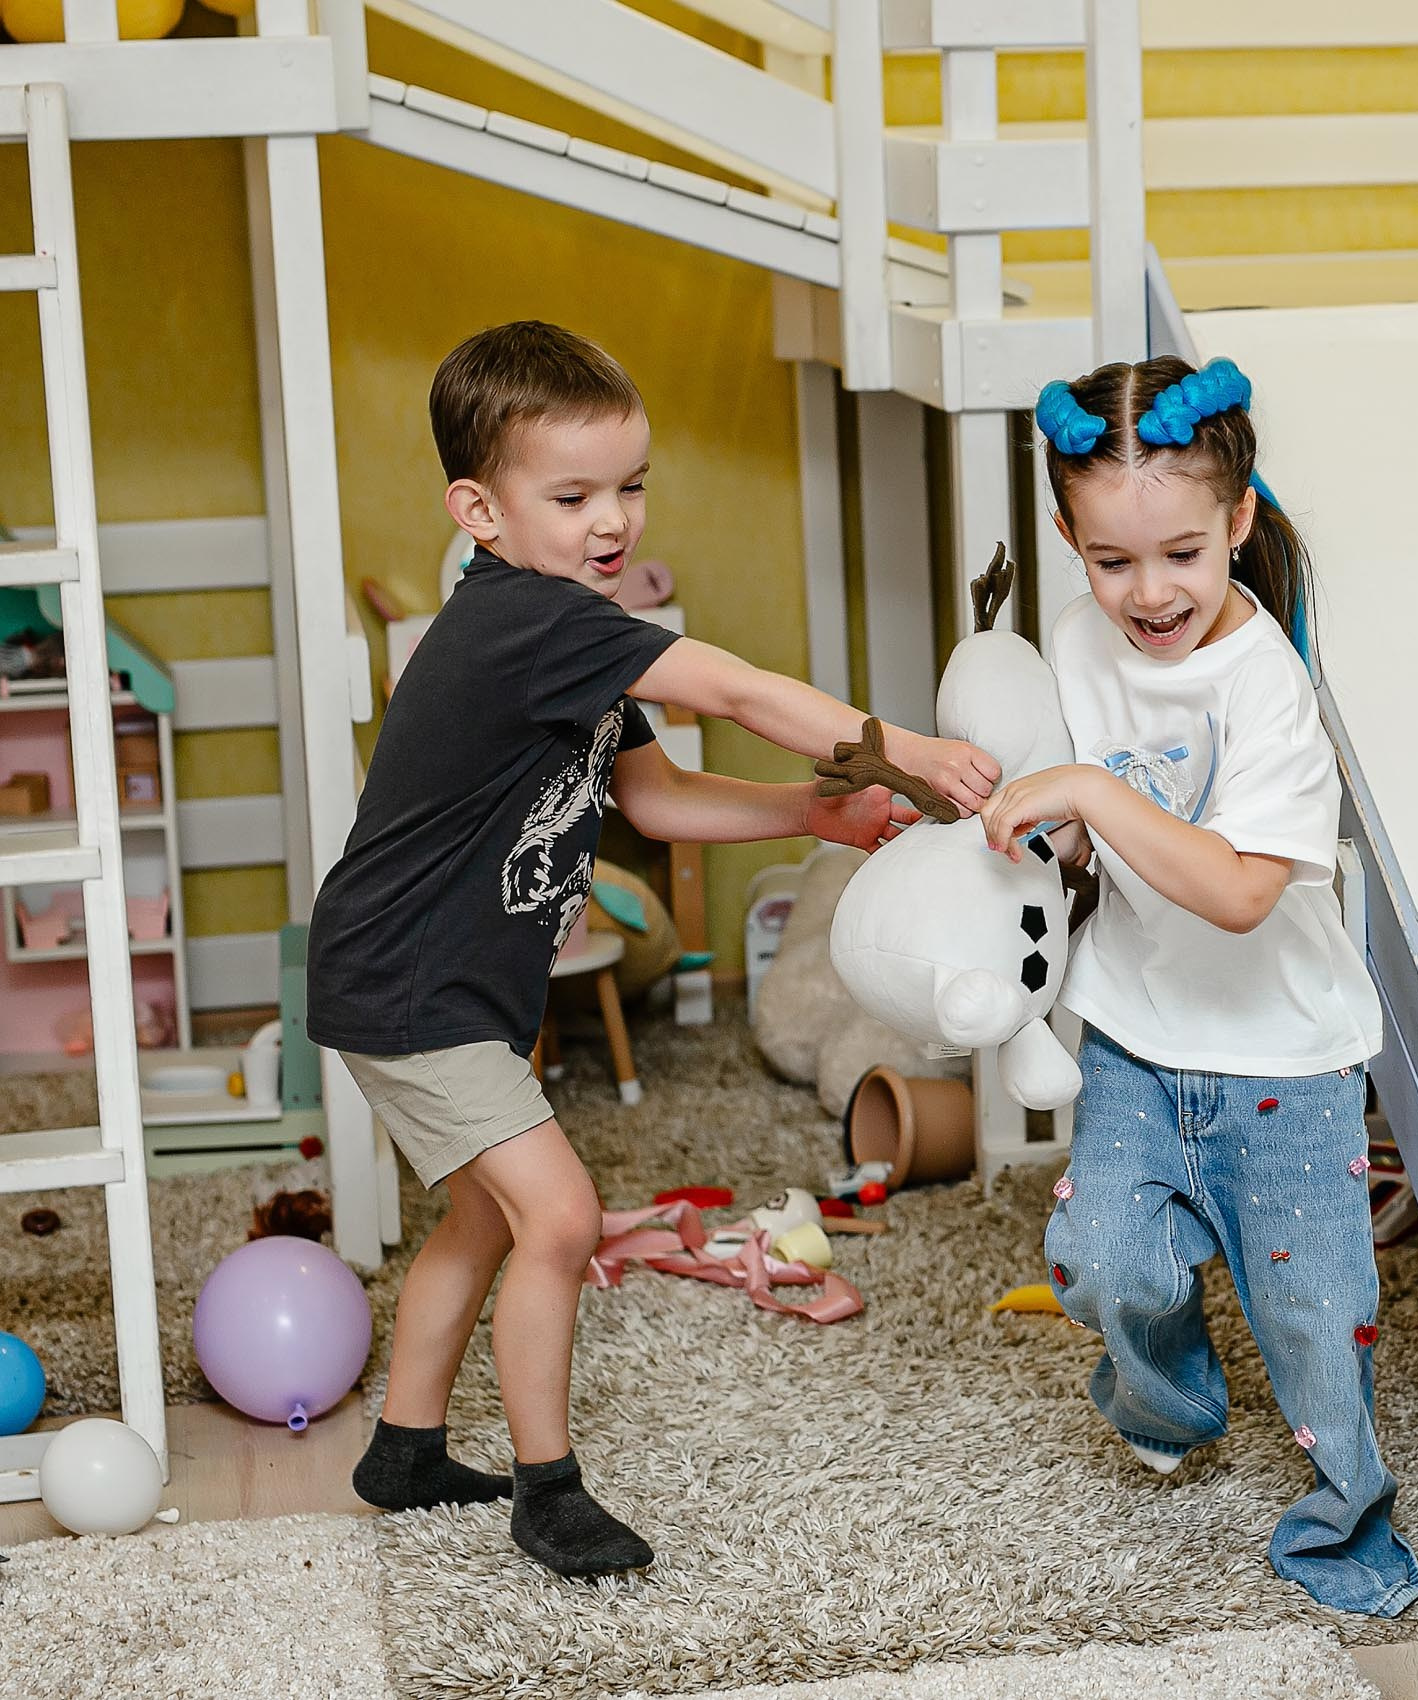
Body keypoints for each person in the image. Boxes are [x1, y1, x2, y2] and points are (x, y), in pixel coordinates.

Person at [308, 321, 994, 1578]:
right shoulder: (525, 622)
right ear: (481, 511)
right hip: (408, 985)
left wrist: (813, 810)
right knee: (558, 1216)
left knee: (481, 1213)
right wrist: (901, 749)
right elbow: (732, 688)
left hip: (446, 980)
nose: (611, 520)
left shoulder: (570, 625)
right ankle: (548, 1489)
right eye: (571, 495)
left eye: (629, 486)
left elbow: (658, 796)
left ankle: (402, 1450)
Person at [978, 355, 1418, 1617]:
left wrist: (1090, 794)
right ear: (1070, 538)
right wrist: (1030, 824)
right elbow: (1082, 829)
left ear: (1236, 519)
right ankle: (1170, 1398)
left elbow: (1234, 888)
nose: (1150, 593)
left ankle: (1343, 1529)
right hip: (1136, 1033)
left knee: (1316, 1316)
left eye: (1181, 552)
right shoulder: (1072, 638)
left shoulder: (1268, 688)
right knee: (1102, 1260)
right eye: (1114, 561)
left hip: (1285, 1063)